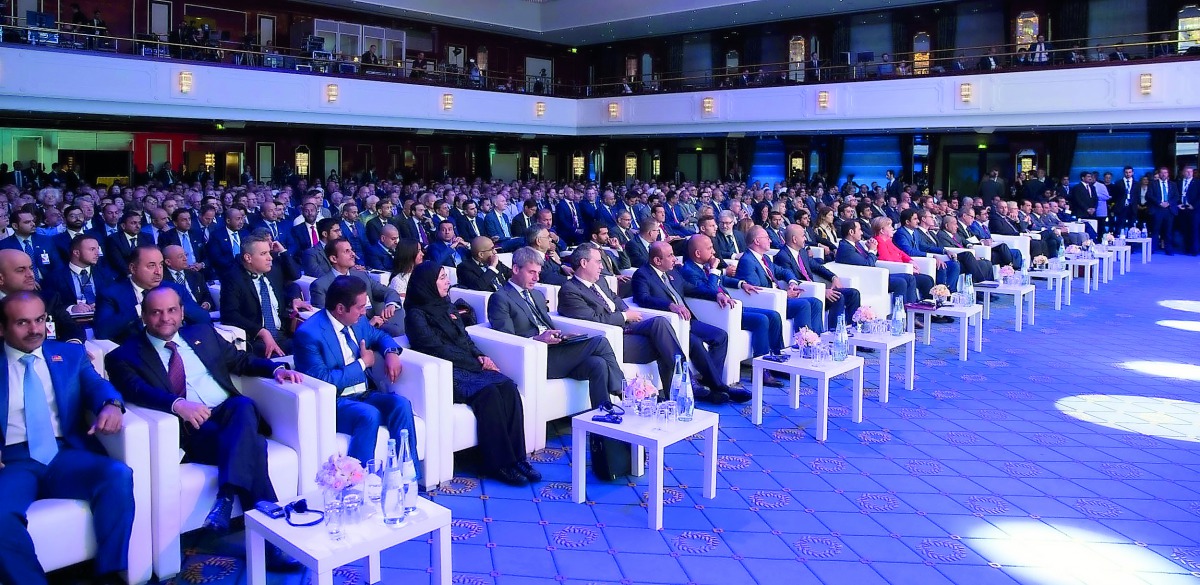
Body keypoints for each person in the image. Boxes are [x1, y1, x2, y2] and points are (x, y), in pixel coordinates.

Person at [104, 287, 303, 570]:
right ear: (144, 316)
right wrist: (177, 404)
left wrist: (273, 370)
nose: (165, 318)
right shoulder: (124, 355)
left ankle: (226, 496)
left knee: (243, 405)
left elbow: (240, 360)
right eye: (156, 312)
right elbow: (136, 390)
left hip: (228, 414)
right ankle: (274, 546)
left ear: (182, 312)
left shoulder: (203, 334)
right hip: (191, 429)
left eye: (172, 310)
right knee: (254, 446)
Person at [0, 292, 132, 585]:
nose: (35, 329)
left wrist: (110, 404)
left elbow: (98, 386)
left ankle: (110, 575)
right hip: (12, 461)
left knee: (117, 475)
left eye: (40, 320)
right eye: (22, 322)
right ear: (2, 328)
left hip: (63, 453)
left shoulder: (69, 355)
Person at [403, 263, 539, 486]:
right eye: (441, 278)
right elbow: (436, 348)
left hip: (469, 365)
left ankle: (517, 458)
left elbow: (464, 338)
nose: (447, 282)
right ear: (427, 284)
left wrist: (481, 356)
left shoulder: (446, 306)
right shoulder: (416, 315)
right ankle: (498, 464)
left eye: (446, 277)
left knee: (508, 387)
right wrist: (476, 364)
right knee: (490, 394)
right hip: (447, 371)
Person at [293, 275, 419, 474]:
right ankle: (359, 481)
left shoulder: (358, 322)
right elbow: (324, 380)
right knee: (369, 414)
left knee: (401, 404)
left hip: (363, 393)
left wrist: (391, 352)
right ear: (341, 308)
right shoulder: (309, 334)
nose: (365, 312)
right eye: (360, 307)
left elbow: (379, 336)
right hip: (335, 401)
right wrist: (362, 363)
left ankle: (407, 474)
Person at [486, 247, 623, 407]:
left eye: (538, 272)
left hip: (557, 350)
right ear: (516, 269)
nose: (536, 278)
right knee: (600, 342)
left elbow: (545, 325)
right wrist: (537, 340)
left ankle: (602, 415)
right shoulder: (500, 298)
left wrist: (563, 336)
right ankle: (624, 392)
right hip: (536, 357)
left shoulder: (536, 294)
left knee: (597, 364)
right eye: (531, 272)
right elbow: (506, 339)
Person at [630, 241, 749, 403]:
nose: (674, 259)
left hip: (688, 320)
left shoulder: (673, 272)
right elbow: (643, 299)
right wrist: (670, 306)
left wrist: (715, 295)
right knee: (695, 342)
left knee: (720, 336)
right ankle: (719, 387)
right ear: (657, 261)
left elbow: (691, 288)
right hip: (671, 325)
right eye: (670, 255)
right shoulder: (642, 275)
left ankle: (710, 383)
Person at [558, 243, 684, 391]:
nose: (601, 267)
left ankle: (681, 374)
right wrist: (624, 316)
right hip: (611, 337)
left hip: (626, 327)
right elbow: (593, 319)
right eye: (598, 262)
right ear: (584, 263)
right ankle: (681, 381)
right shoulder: (570, 291)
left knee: (660, 323)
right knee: (664, 345)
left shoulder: (600, 281)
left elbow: (615, 299)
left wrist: (627, 312)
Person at [676, 235, 785, 365]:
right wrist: (714, 270)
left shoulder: (702, 266)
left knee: (774, 315)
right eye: (710, 248)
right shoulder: (689, 270)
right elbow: (710, 290)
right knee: (761, 320)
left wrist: (741, 284)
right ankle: (763, 368)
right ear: (698, 253)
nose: (714, 252)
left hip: (731, 304)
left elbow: (722, 279)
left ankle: (777, 359)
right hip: (721, 311)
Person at [94, 245, 211, 342]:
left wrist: (175, 305)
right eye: (151, 266)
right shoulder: (110, 293)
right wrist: (140, 309)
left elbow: (203, 318)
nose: (158, 271)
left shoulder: (174, 289)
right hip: (136, 353)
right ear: (133, 268)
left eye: (160, 265)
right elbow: (102, 331)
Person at [220, 232, 310, 357]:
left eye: (269, 252)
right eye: (263, 254)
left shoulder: (272, 271)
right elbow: (229, 315)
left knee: (313, 347)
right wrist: (261, 332)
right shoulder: (233, 279)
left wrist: (295, 298)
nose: (270, 258)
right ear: (248, 258)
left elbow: (292, 283)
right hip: (255, 339)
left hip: (281, 334)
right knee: (279, 358)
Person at [736, 226, 824, 334]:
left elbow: (784, 271)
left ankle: (816, 339)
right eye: (767, 237)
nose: (770, 240)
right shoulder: (747, 261)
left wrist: (792, 282)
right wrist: (785, 295)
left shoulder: (765, 258)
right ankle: (804, 343)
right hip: (769, 302)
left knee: (816, 302)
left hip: (778, 297)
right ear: (757, 241)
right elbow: (757, 290)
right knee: (803, 305)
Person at [312, 239, 406, 337]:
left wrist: (390, 305)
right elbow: (326, 323)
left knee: (401, 314)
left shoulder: (362, 276)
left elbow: (389, 292)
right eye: (347, 251)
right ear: (334, 259)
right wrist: (368, 325)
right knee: (397, 331)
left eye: (351, 250)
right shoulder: (320, 286)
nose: (353, 254)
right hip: (351, 333)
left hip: (377, 322)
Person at [774, 224, 861, 330]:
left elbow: (817, 267)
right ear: (794, 239)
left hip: (816, 288)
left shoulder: (802, 252)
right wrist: (822, 291)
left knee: (853, 293)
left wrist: (833, 277)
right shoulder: (782, 257)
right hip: (807, 292)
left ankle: (854, 329)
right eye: (803, 236)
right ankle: (834, 333)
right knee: (838, 297)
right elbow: (795, 281)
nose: (805, 238)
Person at [835, 220, 921, 321]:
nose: (862, 233)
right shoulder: (846, 248)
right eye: (859, 230)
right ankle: (901, 318)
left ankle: (911, 315)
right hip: (866, 279)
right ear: (851, 232)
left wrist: (869, 250)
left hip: (872, 275)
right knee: (900, 282)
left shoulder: (856, 244)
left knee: (909, 278)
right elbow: (868, 264)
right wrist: (872, 250)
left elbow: (866, 260)